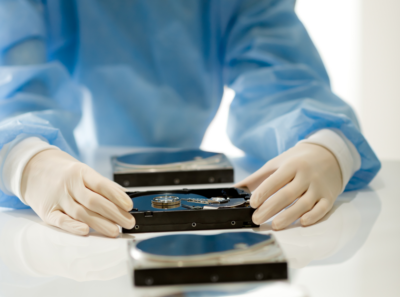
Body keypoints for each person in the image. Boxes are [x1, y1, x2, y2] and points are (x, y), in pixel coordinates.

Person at [0, 0, 380, 237]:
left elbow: (282, 74)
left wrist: (327, 145)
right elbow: (11, 74)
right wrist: (26, 158)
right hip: (81, 201)